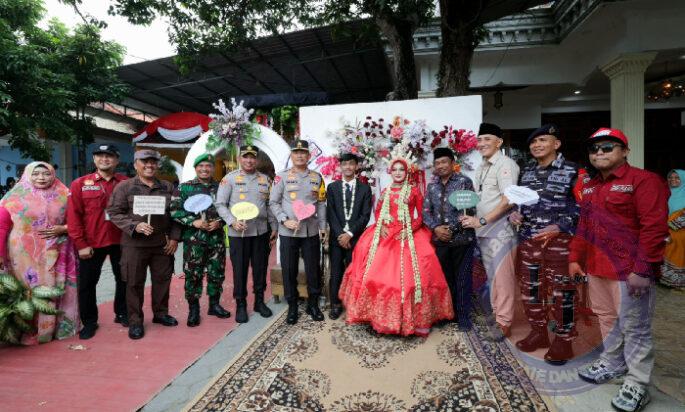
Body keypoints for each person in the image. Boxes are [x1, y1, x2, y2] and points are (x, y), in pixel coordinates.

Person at [570, 128, 668, 412]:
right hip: (597, 266)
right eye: (594, 149)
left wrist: (643, 269)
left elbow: (654, 228)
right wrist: (575, 258)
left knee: (636, 328)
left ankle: (638, 382)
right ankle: (613, 362)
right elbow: (584, 227)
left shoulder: (644, 181)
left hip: (629, 272)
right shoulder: (591, 187)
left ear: (624, 151)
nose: (599, 153)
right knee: (606, 319)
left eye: (607, 148)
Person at [340, 156, 454, 336]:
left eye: (402, 169)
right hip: (387, 233)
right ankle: (377, 316)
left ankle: (416, 320)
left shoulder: (414, 191)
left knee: (418, 272)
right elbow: (378, 211)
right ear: (390, 172)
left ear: (407, 172)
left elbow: (421, 215)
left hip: (408, 233)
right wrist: (381, 226)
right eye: (395, 170)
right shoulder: (385, 191)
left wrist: (409, 229)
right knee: (374, 269)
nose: (398, 173)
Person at [508, 125, 580, 365]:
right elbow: (520, 202)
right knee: (531, 292)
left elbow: (585, 207)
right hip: (529, 242)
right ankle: (539, 333)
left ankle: (563, 341)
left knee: (563, 294)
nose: (536, 145)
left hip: (559, 244)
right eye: (532, 143)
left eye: (542, 140)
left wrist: (561, 227)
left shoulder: (573, 171)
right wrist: (514, 215)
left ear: (556, 144)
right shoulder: (526, 172)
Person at [0, 162, 78, 344]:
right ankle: (25, 329)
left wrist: (64, 228)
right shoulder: (13, 197)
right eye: (36, 174)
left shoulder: (65, 194)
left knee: (53, 288)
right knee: (25, 291)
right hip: (22, 255)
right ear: (27, 175)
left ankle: (52, 327)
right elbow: (2, 226)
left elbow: (79, 219)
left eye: (46, 174)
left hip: (56, 252)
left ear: (53, 175)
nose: (41, 178)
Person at [107, 150, 182, 340]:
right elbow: (114, 212)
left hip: (162, 245)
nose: (149, 165)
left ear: (157, 165)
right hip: (134, 244)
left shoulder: (167, 187)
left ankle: (161, 313)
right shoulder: (124, 187)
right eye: (144, 162)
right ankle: (135, 321)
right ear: (135, 165)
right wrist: (135, 225)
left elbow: (177, 215)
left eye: (153, 162)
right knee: (133, 283)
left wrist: (174, 238)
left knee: (162, 280)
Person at [461, 122, 519, 339]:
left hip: (500, 230)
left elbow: (508, 200)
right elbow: (481, 197)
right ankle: (498, 315)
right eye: (480, 139)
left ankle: (504, 323)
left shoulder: (506, 165)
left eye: (487, 139)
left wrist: (482, 220)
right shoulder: (483, 166)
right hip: (484, 231)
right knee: (494, 276)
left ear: (499, 142)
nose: (482, 143)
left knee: (503, 277)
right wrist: (470, 216)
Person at [67, 144, 129, 340]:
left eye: (109, 156)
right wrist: (80, 244)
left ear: (116, 160)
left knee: (125, 279)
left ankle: (122, 313)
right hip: (91, 243)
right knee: (87, 284)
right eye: (100, 156)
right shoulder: (80, 184)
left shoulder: (126, 183)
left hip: (122, 240)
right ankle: (90, 322)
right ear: (94, 160)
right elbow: (74, 217)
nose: (105, 159)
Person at [215, 145, 277, 324]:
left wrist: (274, 227)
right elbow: (220, 204)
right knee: (239, 270)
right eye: (246, 157)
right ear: (240, 159)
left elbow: (269, 205)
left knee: (260, 268)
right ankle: (241, 304)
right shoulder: (230, 179)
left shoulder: (265, 180)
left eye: (252, 157)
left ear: (257, 160)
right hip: (238, 233)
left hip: (260, 232)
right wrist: (232, 221)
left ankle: (259, 301)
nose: (249, 160)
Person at [270, 140, 327, 324]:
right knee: (289, 270)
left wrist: (322, 226)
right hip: (288, 233)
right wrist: (284, 219)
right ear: (292, 156)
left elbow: (321, 203)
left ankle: (313, 304)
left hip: (310, 232)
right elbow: (273, 202)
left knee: (313, 270)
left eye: (303, 152)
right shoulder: (282, 177)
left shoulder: (317, 177)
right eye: (296, 152)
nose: (300, 155)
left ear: (309, 156)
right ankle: (292, 306)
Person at [171, 153, 230, 327]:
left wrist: (220, 223)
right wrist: (193, 221)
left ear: (213, 168)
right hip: (194, 240)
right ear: (196, 168)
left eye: (208, 166)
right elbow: (174, 211)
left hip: (216, 239)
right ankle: (193, 309)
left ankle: (214, 304)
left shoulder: (222, 187)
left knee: (216, 273)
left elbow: (231, 209)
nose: (205, 169)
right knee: (193, 275)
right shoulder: (184, 188)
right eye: (201, 166)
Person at [422, 147, 477, 330]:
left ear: (453, 164)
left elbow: (470, 211)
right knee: (445, 279)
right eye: (437, 163)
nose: (440, 166)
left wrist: (451, 230)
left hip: (462, 239)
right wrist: (436, 229)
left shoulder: (464, 182)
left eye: (444, 162)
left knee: (462, 278)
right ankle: (448, 314)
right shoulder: (432, 186)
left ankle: (463, 317)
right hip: (440, 241)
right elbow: (425, 212)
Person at [326, 153, 372, 320]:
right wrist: (340, 235)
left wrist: (350, 234)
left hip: (356, 239)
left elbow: (365, 215)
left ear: (356, 167)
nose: (347, 167)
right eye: (344, 164)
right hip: (337, 239)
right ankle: (336, 305)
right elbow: (330, 213)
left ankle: (354, 304)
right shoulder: (332, 188)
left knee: (356, 272)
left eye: (351, 164)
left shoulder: (365, 189)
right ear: (340, 167)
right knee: (336, 272)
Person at [661, 169, 685, 288]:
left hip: (680, 231)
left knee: (676, 250)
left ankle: (678, 282)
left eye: (677, 177)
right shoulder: (664, 192)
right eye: (670, 177)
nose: (673, 180)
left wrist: (672, 225)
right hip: (663, 228)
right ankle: (665, 279)